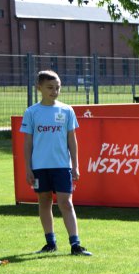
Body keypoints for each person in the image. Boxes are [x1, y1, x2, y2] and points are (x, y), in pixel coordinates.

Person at [20, 70, 92, 256]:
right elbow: (27, 143)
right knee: (44, 201)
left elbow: (72, 140)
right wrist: (28, 167)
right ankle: (50, 243)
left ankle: (75, 245)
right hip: (39, 167)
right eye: (50, 87)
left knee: (66, 202)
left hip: (62, 166)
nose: (54, 91)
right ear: (39, 88)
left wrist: (75, 165)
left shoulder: (67, 110)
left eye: (57, 87)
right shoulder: (31, 112)